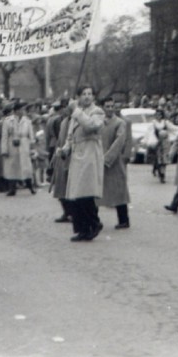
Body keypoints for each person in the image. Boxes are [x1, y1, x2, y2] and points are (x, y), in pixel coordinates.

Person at [60, 85, 105, 242]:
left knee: (85, 193)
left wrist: (77, 112)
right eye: (84, 94)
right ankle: (82, 229)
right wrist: (65, 148)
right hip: (78, 155)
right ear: (78, 96)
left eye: (90, 94)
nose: (87, 97)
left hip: (90, 155)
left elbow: (91, 126)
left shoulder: (97, 111)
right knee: (77, 195)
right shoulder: (77, 113)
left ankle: (94, 223)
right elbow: (71, 136)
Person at [98, 96, 131, 229]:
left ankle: (124, 220)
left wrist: (107, 158)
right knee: (97, 191)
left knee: (119, 191)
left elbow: (119, 142)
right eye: (107, 106)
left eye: (112, 106)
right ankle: (94, 219)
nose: (110, 109)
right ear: (103, 107)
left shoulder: (119, 123)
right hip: (99, 160)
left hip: (114, 162)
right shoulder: (99, 122)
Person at [1, 102, 35, 196]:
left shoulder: (27, 121)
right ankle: (12, 189)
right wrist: (4, 149)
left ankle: (30, 186)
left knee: (27, 167)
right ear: (16, 111)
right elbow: (4, 136)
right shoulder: (8, 121)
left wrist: (32, 147)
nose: (23, 111)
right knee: (12, 167)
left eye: (23, 109)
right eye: (21, 109)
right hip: (12, 145)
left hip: (24, 145)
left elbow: (31, 135)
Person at [50, 99, 73, 223]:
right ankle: (66, 212)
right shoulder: (62, 122)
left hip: (71, 158)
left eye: (65, 108)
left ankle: (73, 213)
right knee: (60, 187)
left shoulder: (75, 121)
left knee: (70, 188)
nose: (64, 110)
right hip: (61, 157)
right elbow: (60, 140)